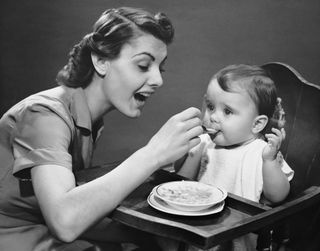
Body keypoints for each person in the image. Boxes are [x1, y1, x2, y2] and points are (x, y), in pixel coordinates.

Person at [0, 7, 203, 251]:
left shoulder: (86, 118)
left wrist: (149, 235)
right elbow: (65, 221)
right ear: (101, 61)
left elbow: (83, 210)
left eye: (160, 68)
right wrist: (154, 154)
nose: (158, 80)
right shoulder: (45, 115)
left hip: (39, 231)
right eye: (143, 65)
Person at [175, 64, 294, 251]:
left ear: (257, 124)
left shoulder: (261, 152)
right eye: (210, 106)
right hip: (198, 227)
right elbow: (183, 181)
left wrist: (270, 163)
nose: (213, 117)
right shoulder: (206, 142)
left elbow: (278, 196)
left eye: (227, 111)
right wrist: (193, 150)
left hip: (239, 235)